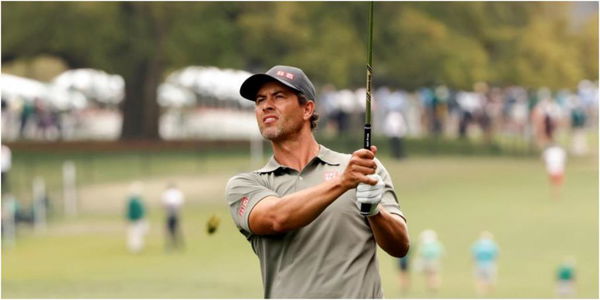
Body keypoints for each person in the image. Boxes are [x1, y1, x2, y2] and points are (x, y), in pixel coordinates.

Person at [226, 65, 409, 298]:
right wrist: (343, 183)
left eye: (279, 96)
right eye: (260, 100)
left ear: (307, 109)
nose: (266, 105)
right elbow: (275, 218)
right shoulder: (247, 184)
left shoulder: (361, 168)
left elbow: (400, 246)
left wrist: (375, 211)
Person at [415, 229, 444, 293]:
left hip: (428, 262)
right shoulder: (437, 245)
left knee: (429, 274)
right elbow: (441, 253)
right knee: (434, 274)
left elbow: (422, 254)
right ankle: (434, 286)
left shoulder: (425, 246)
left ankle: (431, 286)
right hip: (435, 262)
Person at [471, 231, 499, 296]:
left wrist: (473, 262)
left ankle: (481, 291)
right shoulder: (492, 245)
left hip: (480, 263)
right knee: (489, 278)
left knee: (480, 278)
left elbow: (474, 255)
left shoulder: (478, 244)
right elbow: (495, 255)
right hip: (489, 264)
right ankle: (487, 291)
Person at [161, 182, 185, 251]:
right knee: (177, 229)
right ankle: (178, 245)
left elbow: (163, 204)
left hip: (169, 212)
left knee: (168, 229)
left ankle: (169, 246)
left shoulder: (166, 193)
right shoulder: (178, 193)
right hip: (176, 211)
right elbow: (181, 203)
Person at [125, 181, 148, 254]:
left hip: (138, 219)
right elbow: (131, 212)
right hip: (135, 220)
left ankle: (137, 246)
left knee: (137, 233)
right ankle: (135, 247)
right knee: (134, 234)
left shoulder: (137, 201)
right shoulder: (133, 201)